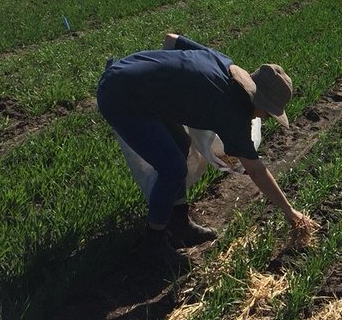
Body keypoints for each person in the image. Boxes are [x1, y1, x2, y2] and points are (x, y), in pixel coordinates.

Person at [97, 33, 317, 250]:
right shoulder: (231, 110)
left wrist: (168, 82)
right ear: (257, 101)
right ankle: (154, 240)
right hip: (121, 96)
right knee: (172, 167)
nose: (264, 118)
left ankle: (179, 223)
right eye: (268, 113)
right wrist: (290, 212)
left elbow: (172, 39)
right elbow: (256, 170)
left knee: (181, 143)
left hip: (128, 74)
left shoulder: (223, 62)